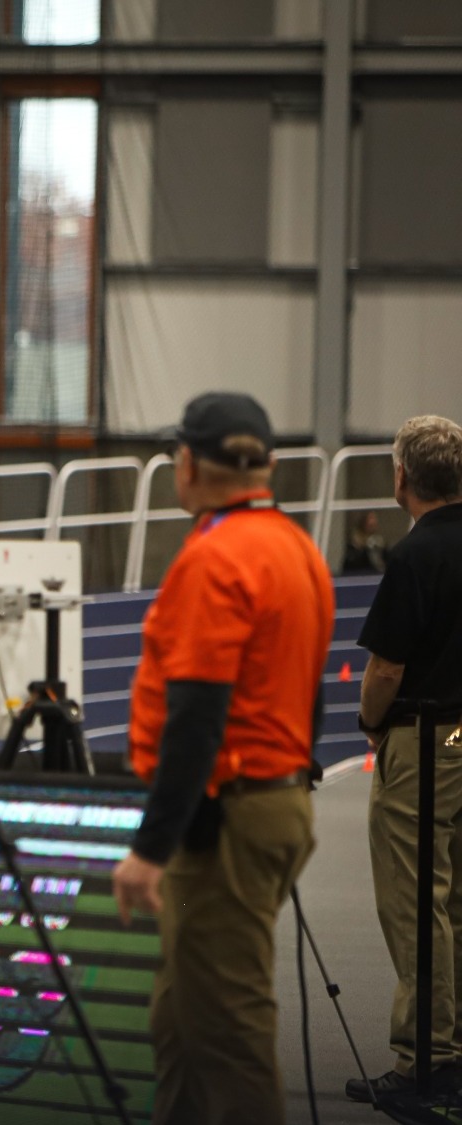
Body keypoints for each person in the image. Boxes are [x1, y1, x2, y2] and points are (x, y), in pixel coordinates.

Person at [108, 392, 333, 1125]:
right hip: (273, 799)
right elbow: (308, 692)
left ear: (189, 464)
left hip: (228, 815)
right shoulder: (297, 548)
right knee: (181, 1020)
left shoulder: (215, 558)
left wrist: (151, 847)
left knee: (231, 1035)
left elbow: (197, 716)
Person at [353, 414, 462, 1107]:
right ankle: (454, 1049)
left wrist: (370, 723)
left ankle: (427, 1060)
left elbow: (386, 668)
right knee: (458, 901)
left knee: (417, 900)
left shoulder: (416, 555)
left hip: (426, 741)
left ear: (402, 478)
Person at [344, 510, 388, 576]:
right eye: (370, 519)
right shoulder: (355, 542)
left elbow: (385, 560)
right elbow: (350, 563)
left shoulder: (379, 541)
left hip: (377, 574)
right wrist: (363, 548)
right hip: (360, 574)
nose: (372, 523)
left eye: (374, 519)